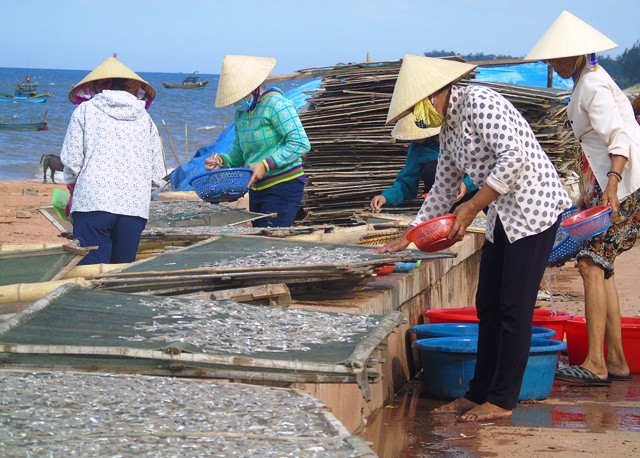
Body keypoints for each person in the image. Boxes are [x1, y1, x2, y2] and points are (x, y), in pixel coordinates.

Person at [378, 55, 572, 421]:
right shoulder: (449, 126)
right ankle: (477, 392)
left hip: (534, 211)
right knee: (488, 305)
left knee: (513, 309)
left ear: (436, 93)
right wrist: (410, 236)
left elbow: (515, 158)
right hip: (502, 216)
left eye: (420, 106)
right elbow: (444, 186)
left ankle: (502, 399)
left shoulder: (479, 102)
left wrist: (470, 208)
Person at [526, 11, 640, 385]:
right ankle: (617, 361)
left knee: (591, 266)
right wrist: (587, 198)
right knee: (601, 268)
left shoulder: (592, 85)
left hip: (624, 188)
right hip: (610, 187)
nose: (552, 63)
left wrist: (610, 185)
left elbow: (619, 139)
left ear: (578, 54)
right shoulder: (586, 82)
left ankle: (595, 363)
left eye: (558, 57)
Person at [61, 54, 165, 265]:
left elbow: (71, 162)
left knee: (90, 275)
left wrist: (74, 191)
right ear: (133, 89)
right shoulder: (145, 119)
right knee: (119, 275)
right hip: (134, 208)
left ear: (99, 86)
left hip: (93, 203)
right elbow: (158, 176)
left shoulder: (84, 111)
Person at [204, 55, 311, 227]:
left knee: (270, 243)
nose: (237, 101)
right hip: (257, 189)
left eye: (239, 95)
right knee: (261, 242)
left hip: (284, 185)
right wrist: (221, 160)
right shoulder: (241, 114)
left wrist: (266, 164)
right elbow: (240, 153)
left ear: (252, 88)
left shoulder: (276, 104)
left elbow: (300, 142)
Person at [369, 114, 478, 212]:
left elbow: (482, 167)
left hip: (476, 193)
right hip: (444, 199)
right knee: (431, 169)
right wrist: (385, 197)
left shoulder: (456, 135)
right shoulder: (417, 149)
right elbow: (406, 183)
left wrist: (465, 185)